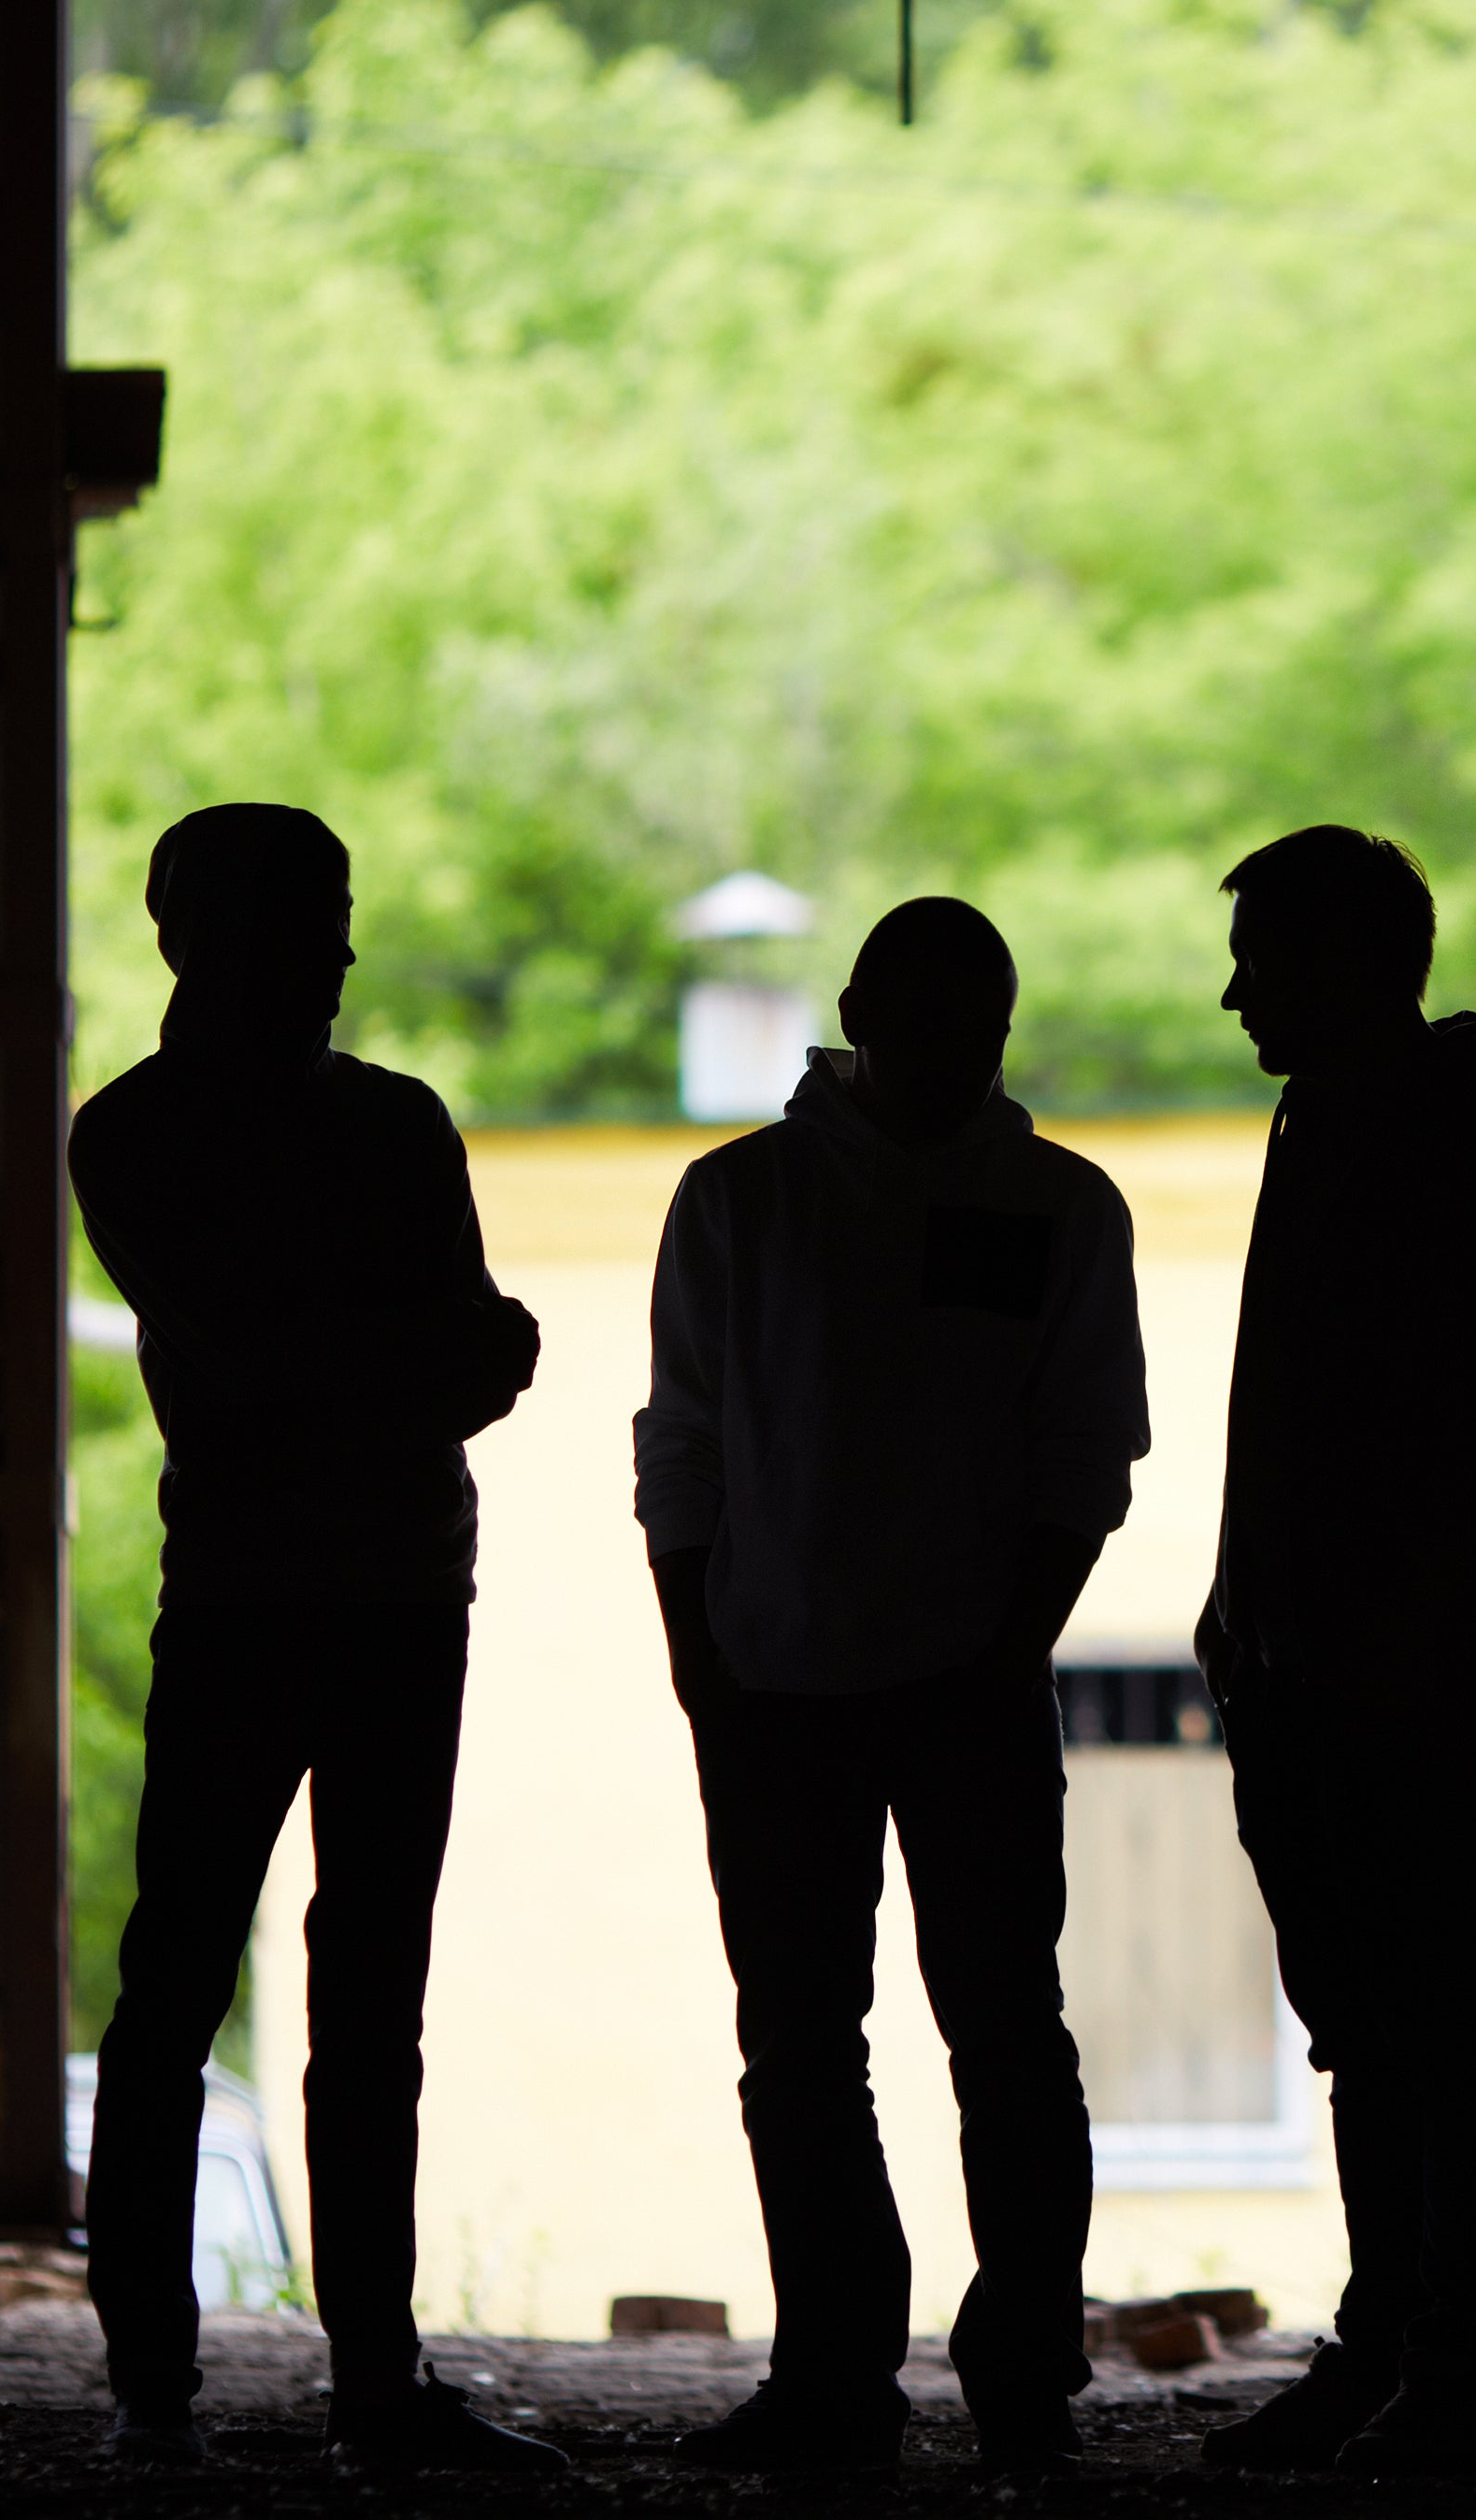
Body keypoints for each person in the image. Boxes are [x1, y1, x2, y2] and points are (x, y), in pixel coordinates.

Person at [69, 803, 559, 2476]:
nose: (342, 947)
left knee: (194, 1984)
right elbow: (469, 1354)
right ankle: (356, 2384)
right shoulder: (376, 1130)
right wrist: (413, 1361)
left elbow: (302, 1363)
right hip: (382, 1589)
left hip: (274, 1587)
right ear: (201, 932)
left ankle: (172, 2386)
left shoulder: (136, 1136)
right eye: (317, 914)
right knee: (334, 1992)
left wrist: (372, 1362)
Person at [634, 897, 1150, 2479]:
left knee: (884, 2036)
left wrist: (711, 1656)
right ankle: (931, 2372)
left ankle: (909, 2373)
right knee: (941, 2034)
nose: (950, 1052)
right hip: (829, 1678)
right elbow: (690, 1449)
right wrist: (706, 1662)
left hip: (837, 1676)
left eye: (972, 1024)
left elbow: (1083, 1449)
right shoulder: (772, 1204)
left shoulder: (771, 1203)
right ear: (860, 1010)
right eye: (930, 1021)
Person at [1187, 826, 1476, 2479]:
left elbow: (1474, 1446)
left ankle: (1453, 2376)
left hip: (1398, 1658)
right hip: (1329, 1656)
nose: (1230, 997)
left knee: (1445, 2012)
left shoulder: (1448, 1144)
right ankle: (1405, 2349)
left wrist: (1377, 1624)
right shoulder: (1365, 1123)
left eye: (1259, 960)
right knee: (1380, 2012)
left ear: (1347, 964)